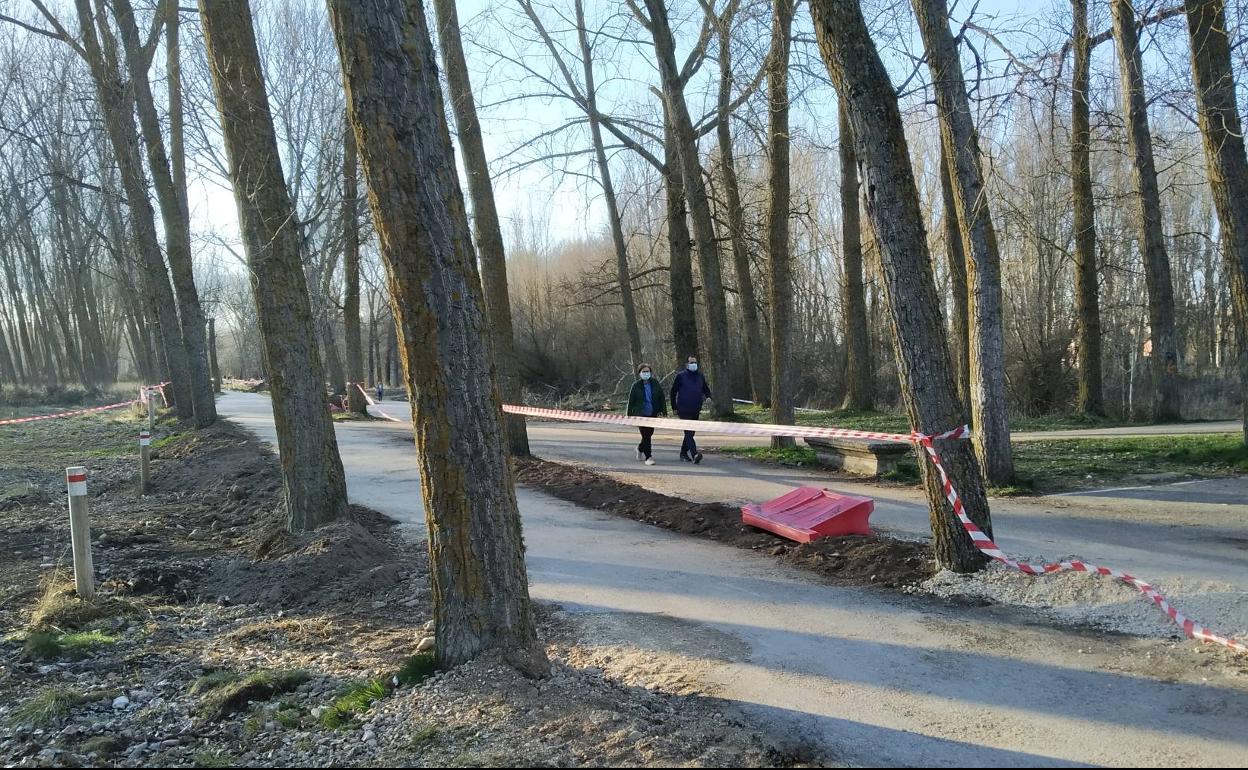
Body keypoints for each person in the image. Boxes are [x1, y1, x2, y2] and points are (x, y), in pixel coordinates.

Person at [670, 355, 711, 463]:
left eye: (695, 362)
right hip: (683, 409)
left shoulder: (700, 376)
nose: (694, 364)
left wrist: (708, 397)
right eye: (691, 362)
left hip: (696, 408)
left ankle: (683, 453)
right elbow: (673, 392)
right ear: (687, 364)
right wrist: (674, 407)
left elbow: (706, 389)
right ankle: (695, 454)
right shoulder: (681, 376)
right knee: (688, 432)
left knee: (691, 433)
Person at [627, 364, 667, 466]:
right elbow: (631, 401)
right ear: (640, 373)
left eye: (647, 371)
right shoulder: (636, 386)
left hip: (652, 413)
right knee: (646, 435)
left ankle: (640, 448)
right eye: (644, 372)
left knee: (649, 433)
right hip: (640, 414)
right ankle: (648, 457)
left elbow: (661, 397)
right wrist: (629, 415)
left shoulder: (655, 383)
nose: (646, 373)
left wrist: (664, 411)